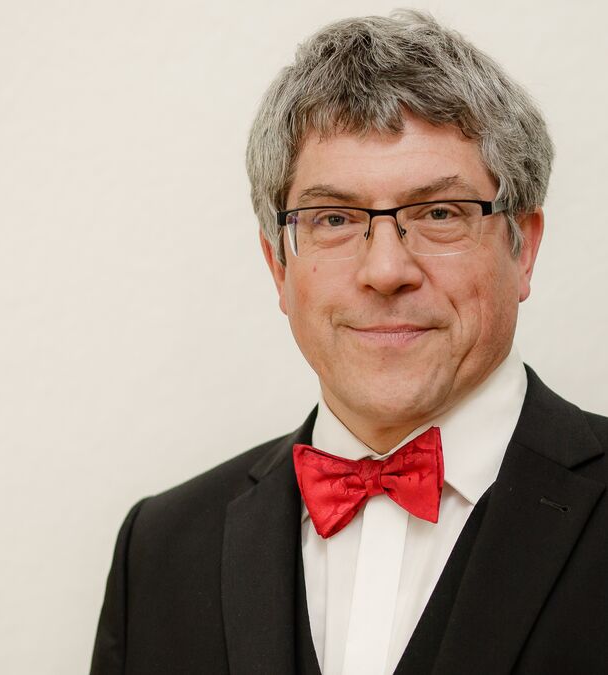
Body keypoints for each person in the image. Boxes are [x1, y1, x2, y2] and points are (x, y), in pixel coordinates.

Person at [90, 11, 608, 675]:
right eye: (333, 218)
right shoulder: (158, 549)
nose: (386, 270)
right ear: (279, 266)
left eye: (439, 212)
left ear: (523, 248)